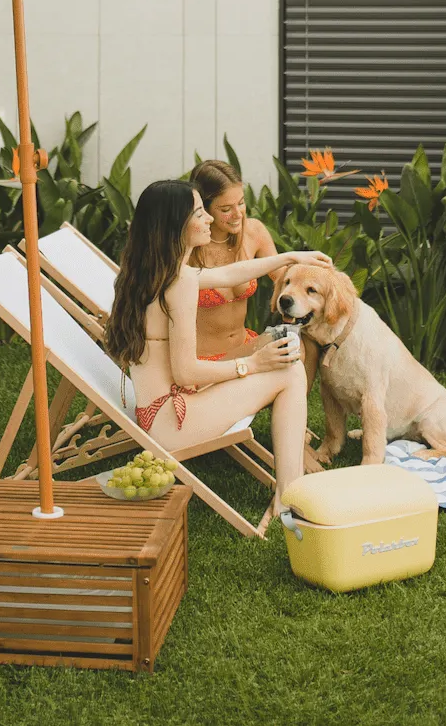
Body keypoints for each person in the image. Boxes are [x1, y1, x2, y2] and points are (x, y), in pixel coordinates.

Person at [104, 179, 331, 526]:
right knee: (288, 369)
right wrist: (251, 364)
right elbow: (187, 373)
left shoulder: (156, 271)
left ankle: (289, 488)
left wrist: (290, 256)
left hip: (159, 410)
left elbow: (228, 273)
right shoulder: (176, 284)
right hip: (174, 422)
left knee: (278, 352)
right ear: (176, 225)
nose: (209, 219)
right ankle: (289, 495)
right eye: (199, 213)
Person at [188, 159, 324, 391]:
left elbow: (283, 279)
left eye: (241, 203)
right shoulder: (189, 243)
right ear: (204, 209)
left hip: (245, 347)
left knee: (298, 348)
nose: (237, 214)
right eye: (225, 209)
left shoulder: (253, 232)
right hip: (206, 363)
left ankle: (295, 421)